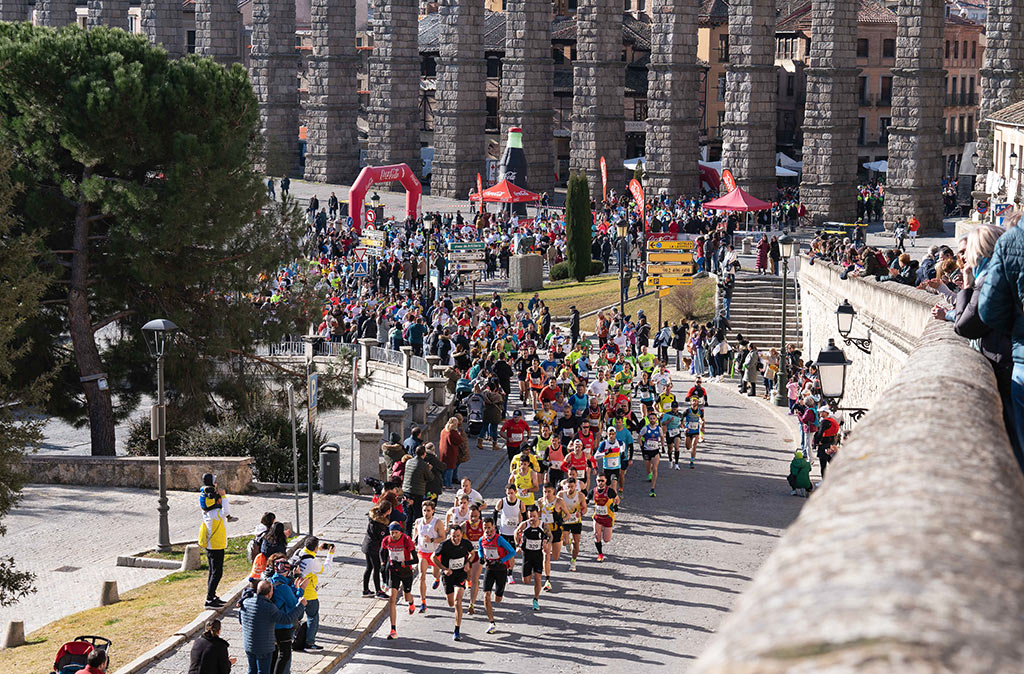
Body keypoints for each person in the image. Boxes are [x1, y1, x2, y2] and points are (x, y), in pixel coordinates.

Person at [238, 580, 306, 674]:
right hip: (264, 647)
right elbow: (286, 619)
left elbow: (241, 620)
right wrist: (301, 605)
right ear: (270, 592)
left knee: (252, 670)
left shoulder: (246, 602)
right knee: (263, 671)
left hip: (248, 645)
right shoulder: (269, 607)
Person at [290, 536, 334, 652]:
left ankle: (290, 639)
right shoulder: (312, 562)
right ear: (314, 548)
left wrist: (318, 549)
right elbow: (326, 569)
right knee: (313, 617)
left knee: (296, 616)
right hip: (309, 594)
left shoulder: (298, 552)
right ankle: (309, 643)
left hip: (295, 591)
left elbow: (309, 554)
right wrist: (330, 554)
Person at [436, 523, 476, 640]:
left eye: (458, 536)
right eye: (453, 536)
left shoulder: (466, 543)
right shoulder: (444, 545)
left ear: (461, 535)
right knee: (451, 603)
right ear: (450, 535)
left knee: (458, 601)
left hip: (460, 574)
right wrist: (444, 569)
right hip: (448, 575)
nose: (456, 538)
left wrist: (468, 562)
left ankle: (457, 630)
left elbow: (473, 553)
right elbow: (433, 557)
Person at [478, 517, 517, 634]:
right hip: (489, 569)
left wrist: (502, 560)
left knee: (497, 599)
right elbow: (480, 549)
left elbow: (512, 551)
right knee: (486, 596)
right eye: (485, 528)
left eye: (489, 527)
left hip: (501, 569)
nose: (487, 530)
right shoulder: (481, 539)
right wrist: (481, 557)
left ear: (493, 527)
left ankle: (499, 594)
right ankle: (491, 622)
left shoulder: (499, 539)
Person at [268, 559, 308, 674]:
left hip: (271, 625)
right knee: (284, 655)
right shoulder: (283, 587)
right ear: (287, 571)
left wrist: (294, 587)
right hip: (283, 626)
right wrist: (301, 590)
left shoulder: (270, 581)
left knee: (273, 655)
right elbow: (293, 604)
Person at [379, 522, 417, 640]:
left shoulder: (406, 540)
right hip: (394, 571)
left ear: (400, 532)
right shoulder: (386, 540)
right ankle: (393, 629)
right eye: (392, 533)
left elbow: (416, 560)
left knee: (407, 596)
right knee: (392, 599)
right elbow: (381, 552)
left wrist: (404, 563)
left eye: (396, 533)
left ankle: (411, 602)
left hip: (406, 572)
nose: (394, 535)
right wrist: (383, 563)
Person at [198, 473, 230, 609]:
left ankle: (212, 596)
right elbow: (226, 511)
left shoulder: (208, 512)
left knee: (213, 572)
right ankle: (209, 599)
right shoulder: (216, 514)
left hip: (213, 545)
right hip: (216, 546)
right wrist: (223, 496)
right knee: (217, 573)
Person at [514, 506, 551, 611]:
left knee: (538, 578)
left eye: (534, 516)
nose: (532, 519)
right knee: (526, 580)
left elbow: (550, 536)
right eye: (530, 516)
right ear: (527, 515)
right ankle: (529, 572)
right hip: (527, 555)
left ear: (538, 514)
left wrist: (547, 543)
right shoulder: (524, 524)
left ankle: (536, 599)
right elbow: (516, 532)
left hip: (538, 555)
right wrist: (517, 545)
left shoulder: (543, 525)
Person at [413, 500, 445, 613]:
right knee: (422, 576)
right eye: (424, 510)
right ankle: (423, 602)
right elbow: (416, 531)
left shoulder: (437, 522)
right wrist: (414, 540)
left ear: (433, 511)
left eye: (428, 511)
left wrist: (431, 540)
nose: (426, 513)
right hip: (422, 552)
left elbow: (443, 537)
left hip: (434, 553)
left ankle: (437, 578)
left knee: (435, 573)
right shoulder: (418, 521)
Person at [362, 502, 392, 598]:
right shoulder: (380, 524)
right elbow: (382, 538)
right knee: (376, 568)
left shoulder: (374, 518)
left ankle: (365, 590)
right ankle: (378, 591)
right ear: (388, 510)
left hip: (367, 546)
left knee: (369, 568)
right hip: (374, 548)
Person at [556, 476, 586, 571]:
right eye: (568, 487)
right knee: (564, 541)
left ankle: (573, 561)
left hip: (576, 522)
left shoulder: (580, 496)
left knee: (576, 542)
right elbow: (555, 505)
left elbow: (585, 508)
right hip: (565, 521)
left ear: (575, 486)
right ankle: (568, 542)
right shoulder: (561, 494)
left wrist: (581, 513)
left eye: (572, 487)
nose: (570, 489)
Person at [401, 445, 432, 534]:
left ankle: (407, 534)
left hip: (406, 491)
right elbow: (430, 477)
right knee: (418, 515)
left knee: (408, 514)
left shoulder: (409, 462)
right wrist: (429, 469)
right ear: (424, 454)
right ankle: (418, 534)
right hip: (417, 492)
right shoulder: (424, 465)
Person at [588, 474, 619, 562]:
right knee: (597, 536)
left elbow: (617, 499)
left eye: (602, 481)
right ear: (596, 481)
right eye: (599, 480)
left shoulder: (610, 491)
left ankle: (602, 531)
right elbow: (586, 499)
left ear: (605, 481)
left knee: (606, 539)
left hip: (608, 518)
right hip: (597, 517)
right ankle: (600, 554)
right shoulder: (593, 491)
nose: (600, 482)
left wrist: (616, 506)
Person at [594, 425, 625, 494]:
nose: (611, 436)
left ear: (615, 434)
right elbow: (596, 456)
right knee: (606, 488)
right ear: (607, 434)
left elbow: (622, 447)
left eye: (613, 434)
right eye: (610, 434)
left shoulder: (619, 442)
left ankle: (614, 499)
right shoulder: (604, 444)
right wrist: (605, 453)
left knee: (614, 486)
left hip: (616, 468)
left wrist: (622, 453)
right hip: (607, 469)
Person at [639, 413, 664, 497]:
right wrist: (641, 446)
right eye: (651, 418)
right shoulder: (645, 428)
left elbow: (662, 437)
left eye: (654, 418)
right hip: (647, 451)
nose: (652, 420)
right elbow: (639, 437)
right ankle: (649, 473)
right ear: (649, 419)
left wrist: (663, 446)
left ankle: (652, 488)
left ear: (656, 419)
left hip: (655, 451)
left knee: (655, 469)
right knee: (648, 469)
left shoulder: (659, 429)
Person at [681, 397, 705, 470]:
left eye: (695, 401)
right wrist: (684, 428)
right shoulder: (687, 411)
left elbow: (703, 420)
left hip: (696, 431)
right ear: (690, 402)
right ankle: (690, 451)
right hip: (688, 431)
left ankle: (692, 461)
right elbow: (681, 420)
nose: (694, 402)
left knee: (694, 446)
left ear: (697, 402)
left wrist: (702, 427)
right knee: (688, 447)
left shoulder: (700, 411)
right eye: (693, 401)